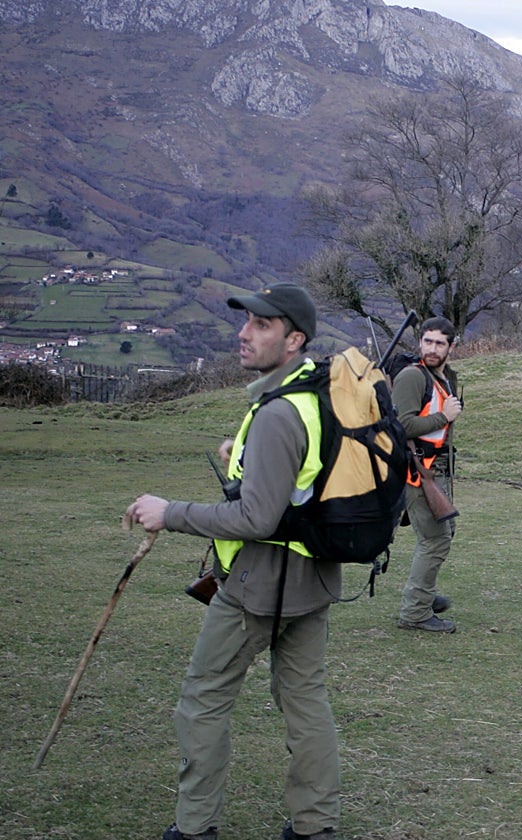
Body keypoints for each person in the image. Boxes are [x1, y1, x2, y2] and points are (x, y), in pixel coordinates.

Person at [125, 283, 340, 840]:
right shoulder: (315, 394)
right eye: (247, 322)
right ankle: (315, 827)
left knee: (203, 698)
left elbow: (255, 521)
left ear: (294, 339)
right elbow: (300, 477)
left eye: (262, 326)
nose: (244, 333)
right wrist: (243, 456)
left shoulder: (278, 414)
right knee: (306, 702)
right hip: (313, 578)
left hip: (258, 585)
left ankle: (195, 828)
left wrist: (168, 512)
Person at [391, 316, 463, 633]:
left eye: (439, 343)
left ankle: (424, 593)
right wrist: (442, 416)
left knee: (442, 533)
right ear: (420, 341)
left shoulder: (442, 377)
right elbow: (402, 425)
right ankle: (415, 612)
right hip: (416, 472)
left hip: (433, 470)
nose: (432, 348)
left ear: (451, 346)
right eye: (428, 341)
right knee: (435, 540)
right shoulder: (412, 377)